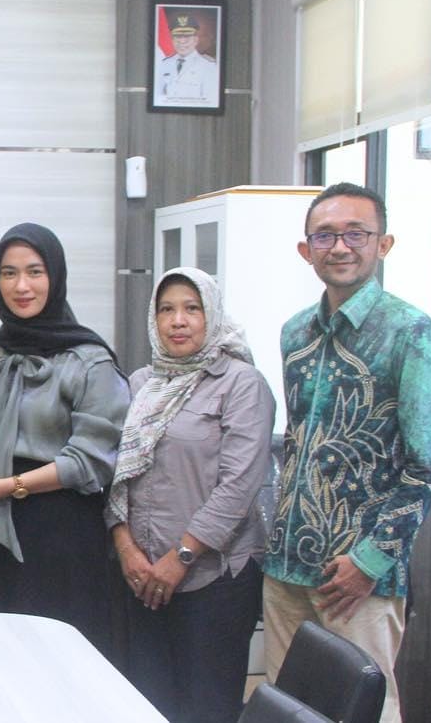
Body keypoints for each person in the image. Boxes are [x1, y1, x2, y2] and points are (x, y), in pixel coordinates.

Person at [263, 182, 431, 723]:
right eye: (325, 236)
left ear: (383, 244)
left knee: (364, 710)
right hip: (287, 566)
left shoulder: (410, 332)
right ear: (306, 250)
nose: (340, 247)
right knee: (287, 708)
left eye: (356, 234)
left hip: (358, 577)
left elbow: (426, 465)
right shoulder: (295, 333)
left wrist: (370, 561)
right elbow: (299, 444)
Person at [0, 223, 127, 649]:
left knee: (56, 656)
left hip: (60, 530)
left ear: (55, 277)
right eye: (9, 273)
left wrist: (9, 486)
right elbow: (0, 437)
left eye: (34, 272)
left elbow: (92, 461)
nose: (21, 286)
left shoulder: (90, 361)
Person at [108, 267, 275, 723]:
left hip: (212, 581)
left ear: (212, 315)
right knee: (145, 706)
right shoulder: (141, 383)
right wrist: (126, 549)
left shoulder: (242, 383)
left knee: (205, 710)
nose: (177, 320)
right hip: (142, 578)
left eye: (192, 308)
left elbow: (238, 487)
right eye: (166, 309)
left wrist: (179, 557)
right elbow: (115, 473)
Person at [155, 10, 219, 104]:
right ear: (172, 40)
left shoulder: (209, 67)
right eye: (178, 37)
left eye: (187, 38)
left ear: (195, 40)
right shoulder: (163, 64)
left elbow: (210, 101)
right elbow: (157, 97)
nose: (182, 42)